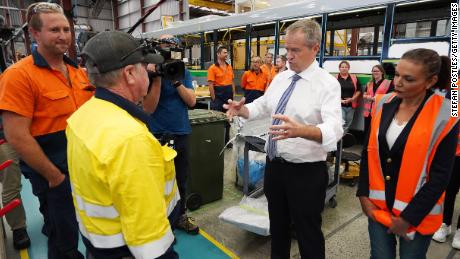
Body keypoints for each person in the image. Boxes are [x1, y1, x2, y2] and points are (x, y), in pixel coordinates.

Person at [224, 19, 343, 258]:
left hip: (306, 173)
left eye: (295, 50)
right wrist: (243, 109)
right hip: (275, 168)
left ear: (315, 48)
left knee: (307, 232)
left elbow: (335, 128)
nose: (289, 56)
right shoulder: (281, 78)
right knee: (277, 229)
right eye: (287, 49)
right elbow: (263, 105)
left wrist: (303, 131)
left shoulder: (327, 84)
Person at [66, 30, 178, 259]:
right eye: (145, 69)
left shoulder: (81, 116)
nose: (150, 76)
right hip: (127, 251)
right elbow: (149, 239)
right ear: (129, 74)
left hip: (97, 242)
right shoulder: (129, 139)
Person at [0, 3, 94, 258]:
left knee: (85, 225)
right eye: (54, 30)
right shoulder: (18, 76)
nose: (63, 35)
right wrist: (54, 176)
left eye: (66, 29)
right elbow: (16, 135)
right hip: (52, 171)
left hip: (82, 168)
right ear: (34, 33)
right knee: (62, 236)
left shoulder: (77, 72)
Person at [357, 48, 459, 259]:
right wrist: (363, 194)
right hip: (378, 208)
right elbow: (368, 152)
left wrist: (409, 218)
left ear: (430, 81)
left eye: (408, 79)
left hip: (417, 216)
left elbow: (440, 176)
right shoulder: (383, 103)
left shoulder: (446, 115)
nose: (398, 83)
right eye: (396, 75)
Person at [145, 34, 199, 235]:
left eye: (170, 45)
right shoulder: (149, 73)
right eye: (163, 44)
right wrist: (157, 78)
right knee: (156, 180)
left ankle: (180, 215)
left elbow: (192, 102)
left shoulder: (182, 72)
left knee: (180, 177)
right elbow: (148, 108)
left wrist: (176, 81)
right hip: (157, 134)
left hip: (180, 132)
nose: (166, 48)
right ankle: (158, 219)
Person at [0, 116, 30, 250]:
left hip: (28, 130)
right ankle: (18, 228)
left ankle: (49, 214)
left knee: (42, 173)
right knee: (11, 183)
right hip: (3, 139)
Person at [208, 45, 234, 145]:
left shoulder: (229, 66)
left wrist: (233, 94)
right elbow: (210, 84)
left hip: (228, 96)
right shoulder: (212, 68)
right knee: (217, 120)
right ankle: (217, 142)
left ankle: (227, 141)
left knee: (228, 119)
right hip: (218, 97)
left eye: (227, 52)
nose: (226, 54)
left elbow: (231, 81)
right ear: (218, 54)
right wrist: (214, 98)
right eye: (224, 52)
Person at [362, 64, 394, 135]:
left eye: (377, 71)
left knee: (377, 130)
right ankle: (366, 145)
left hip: (380, 111)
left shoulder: (389, 83)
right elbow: (364, 94)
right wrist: (367, 97)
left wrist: (376, 98)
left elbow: (391, 96)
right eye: (373, 71)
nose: (375, 72)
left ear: (382, 72)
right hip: (368, 112)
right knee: (367, 130)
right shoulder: (369, 83)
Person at [337, 60, 361, 132]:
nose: (344, 68)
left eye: (346, 67)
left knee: (348, 123)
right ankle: (338, 140)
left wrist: (352, 99)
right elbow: (331, 92)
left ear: (348, 68)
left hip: (351, 105)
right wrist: (340, 100)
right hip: (339, 105)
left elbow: (359, 90)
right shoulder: (335, 78)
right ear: (339, 68)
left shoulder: (354, 77)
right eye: (342, 67)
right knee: (341, 122)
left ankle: (343, 140)